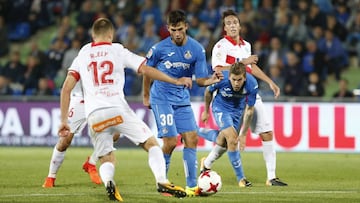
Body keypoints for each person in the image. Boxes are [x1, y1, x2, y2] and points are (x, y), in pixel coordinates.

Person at [57, 17, 192, 201]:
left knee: (106, 157)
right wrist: (175, 80)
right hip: (117, 109)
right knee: (151, 144)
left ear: (93, 35)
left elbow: (66, 88)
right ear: (111, 34)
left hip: (94, 115)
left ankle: (109, 182)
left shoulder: (83, 54)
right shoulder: (117, 49)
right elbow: (146, 69)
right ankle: (161, 179)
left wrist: (64, 121)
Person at [200, 9, 287, 187]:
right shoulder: (220, 46)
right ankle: (207, 164)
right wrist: (242, 62)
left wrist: (270, 82)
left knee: (267, 132)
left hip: (247, 94)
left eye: (235, 22)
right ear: (225, 28)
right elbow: (218, 71)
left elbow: (251, 70)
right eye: (228, 23)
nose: (232, 25)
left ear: (240, 25)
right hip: (229, 98)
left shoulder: (246, 46)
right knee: (226, 140)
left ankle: (271, 177)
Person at [142, 10, 223, 197]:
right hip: (161, 98)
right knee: (170, 142)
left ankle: (192, 186)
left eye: (180, 29)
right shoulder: (159, 49)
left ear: (186, 26)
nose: (177, 33)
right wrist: (146, 96)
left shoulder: (197, 49)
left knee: (192, 138)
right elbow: (146, 71)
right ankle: (162, 182)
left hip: (181, 98)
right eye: (173, 30)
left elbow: (201, 79)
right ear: (168, 29)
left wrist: (211, 80)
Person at [42, 81, 120, 188]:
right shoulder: (79, 63)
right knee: (65, 140)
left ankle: (91, 163)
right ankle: (51, 176)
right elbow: (68, 83)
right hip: (80, 100)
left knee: (114, 135)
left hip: (100, 100)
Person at [199, 62, 257, 189]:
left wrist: (244, 134)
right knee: (232, 139)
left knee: (223, 141)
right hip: (221, 108)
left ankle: (206, 162)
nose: (236, 83)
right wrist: (206, 110)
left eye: (239, 80)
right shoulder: (221, 78)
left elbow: (250, 110)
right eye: (234, 79)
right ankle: (241, 178)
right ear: (229, 76)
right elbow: (208, 92)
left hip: (237, 112)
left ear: (245, 77)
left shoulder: (252, 84)